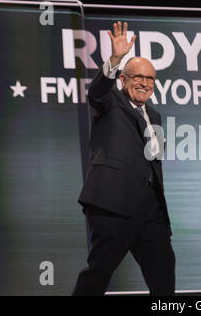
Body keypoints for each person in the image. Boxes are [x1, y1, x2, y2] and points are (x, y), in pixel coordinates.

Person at [72, 21, 175, 296]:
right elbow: (96, 92)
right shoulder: (109, 101)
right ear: (123, 80)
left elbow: (152, 162)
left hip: (150, 212)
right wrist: (116, 58)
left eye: (150, 78)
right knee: (99, 273)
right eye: (137, 77)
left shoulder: (154, 116)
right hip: (112, 204)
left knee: (164, 278)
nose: (144, 83)